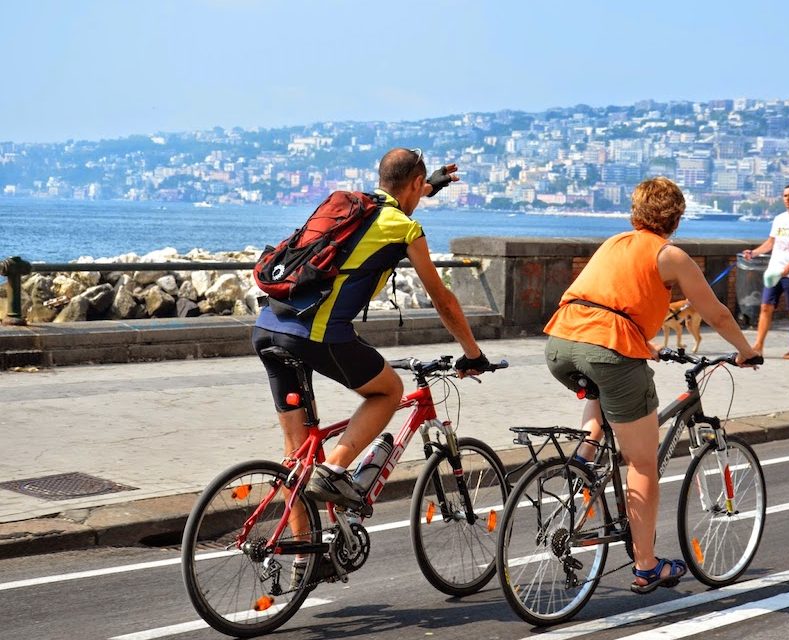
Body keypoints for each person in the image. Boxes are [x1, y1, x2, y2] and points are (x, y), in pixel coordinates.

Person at [251, 148, 490, 582]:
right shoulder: (405, 226)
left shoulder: (352, 206)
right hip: (316, 333)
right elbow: (441, 297)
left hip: (269, 325)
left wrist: (427, 184)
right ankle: (337, 469)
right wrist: (473, 352)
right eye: (421, 188)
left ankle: (307, 559)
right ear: (415, 185)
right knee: (388, 390)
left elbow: (394, 199)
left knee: (295, 455)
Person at [543, 177, 760, 594]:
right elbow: (715, 313)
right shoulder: (670, 255)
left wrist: (642, 344)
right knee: (641, 461)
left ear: (635, 211)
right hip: (609, 351)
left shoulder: (614, 242)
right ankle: (645, 566)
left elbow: (607, 301)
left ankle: (584, 462)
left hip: (560, 344)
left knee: (603, 398)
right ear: (676, 217)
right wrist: (746, 350)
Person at [742, 184, 789, 360]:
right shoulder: (779, 219)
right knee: (765, 307)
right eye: (785, 196)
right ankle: (758, 346)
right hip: (773, 272)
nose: (788, 199)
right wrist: (754, 252)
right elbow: (770, 243)